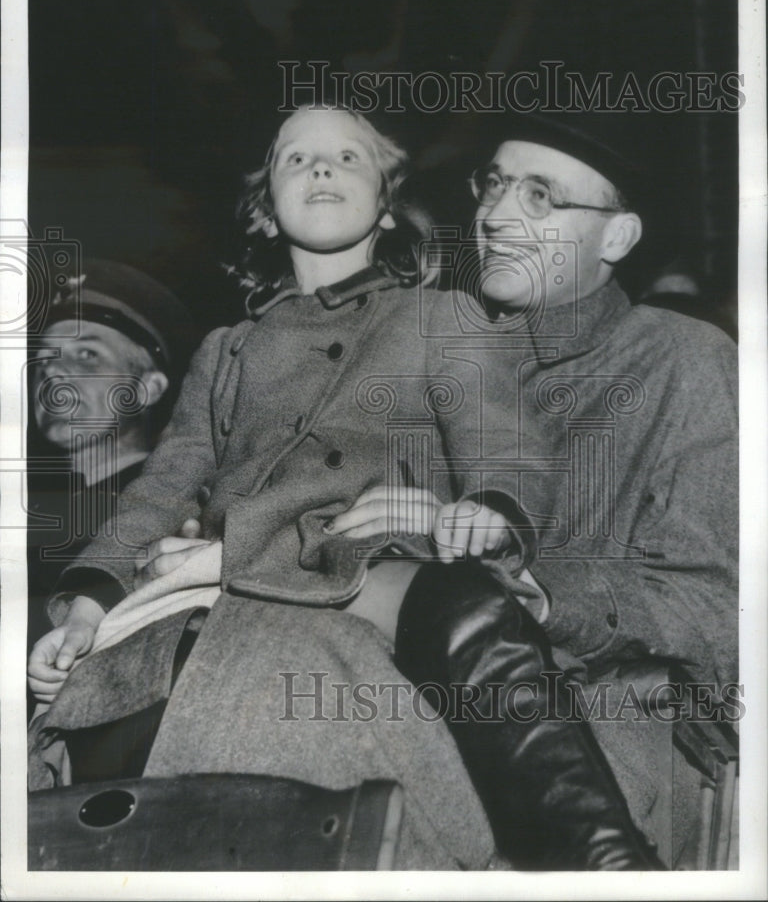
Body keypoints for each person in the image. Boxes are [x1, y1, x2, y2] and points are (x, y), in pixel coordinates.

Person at [28, 106, 659, 870]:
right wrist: (88, 604)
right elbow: (161, 487)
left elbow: (505, 444)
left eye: (347, 159)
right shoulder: (226, 350)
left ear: (387, 205)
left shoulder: (443, 318)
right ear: (264, 214)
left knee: (466, 607)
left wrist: (490, 511)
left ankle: (595, 858)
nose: (320, 169)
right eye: (296, 159)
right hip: (219, 581)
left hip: (355, 559)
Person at [338, 114, 738, 864]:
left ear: (616, 239)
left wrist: (524, 583)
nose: (492, 216)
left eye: (540, 197)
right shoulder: (422, 356)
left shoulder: (685, 361)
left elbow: (717, 608)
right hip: (387, 694)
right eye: (492, 186)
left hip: (588, 731)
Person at [27, 259, 196, 648]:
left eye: (86, 355)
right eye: (47, 356)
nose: (52, 372)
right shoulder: (29, 507)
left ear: (145, 390)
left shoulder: (171, 515)